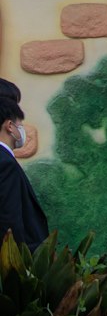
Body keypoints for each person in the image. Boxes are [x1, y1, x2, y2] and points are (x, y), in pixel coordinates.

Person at [0, 94, 48, 249]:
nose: (22, 129)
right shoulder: (6, 163)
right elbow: (10, 219)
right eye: (19, 124)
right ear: (9, 126)